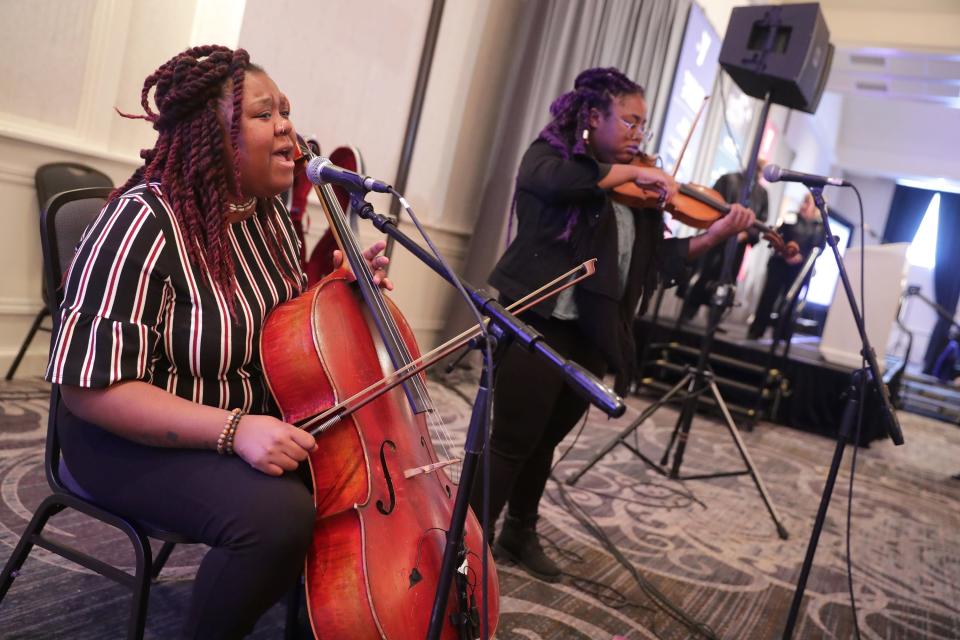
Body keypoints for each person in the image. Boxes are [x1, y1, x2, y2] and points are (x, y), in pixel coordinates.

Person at [44, 45, 391, 639]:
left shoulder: (267, 217)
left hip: (238, 418)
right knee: (277, 517)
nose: (289, 127)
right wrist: (234, 430)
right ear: (215, 134)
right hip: (123, 436)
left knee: (354, 477)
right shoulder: (141, 222)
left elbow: (283, 335)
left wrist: (340, 291)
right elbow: (89, 392)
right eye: (264, 114)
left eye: (286, 110)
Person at [469, 67, 756, 582]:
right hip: (539, 321)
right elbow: (552, 184)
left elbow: (650, 266)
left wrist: (713, 238)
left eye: (643, 126)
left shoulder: (639, 190)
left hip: (593, 330)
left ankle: (519, 530)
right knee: (512, 440)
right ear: (594, 116)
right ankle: (466, 542)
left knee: (546, 440)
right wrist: (630, 175)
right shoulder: (552, 157)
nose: (637, 135)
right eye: (630, 121)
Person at [678, 162, 770, 323]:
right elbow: (712, 204)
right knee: (702, 276)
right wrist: (725, 227)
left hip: (737, 248)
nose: (757, 172)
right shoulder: (728, 179)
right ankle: (687, 315)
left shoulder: (761, 193)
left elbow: (761, 220)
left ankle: (714, 320)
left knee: (725, 283)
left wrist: (746, 234)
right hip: (716, 240)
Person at [747, 192, 825, 341]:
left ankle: (782, 335)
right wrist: (785, 252)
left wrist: (800, 256)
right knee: (768, 297)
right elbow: (778, 235)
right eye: (804, 202)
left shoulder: (820, 227)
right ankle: (757, 330)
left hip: (799, 269)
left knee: (790, 302)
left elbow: (819, 247)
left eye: (808, 203)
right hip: (779, 263)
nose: (804, 206)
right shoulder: (790, 217)